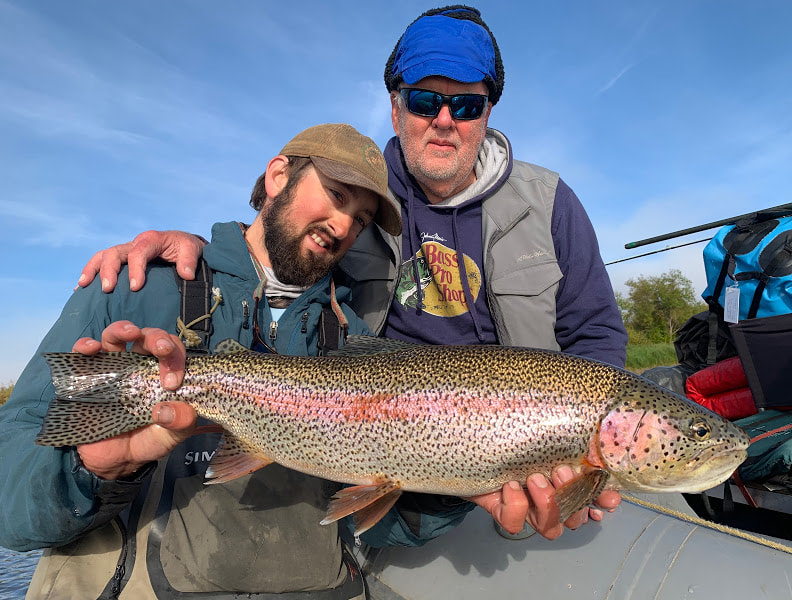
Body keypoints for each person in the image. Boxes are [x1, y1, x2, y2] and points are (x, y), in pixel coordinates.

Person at [77, 6, 626, 541]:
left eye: (465, 105)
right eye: (425, 100)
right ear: (395, 106)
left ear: (488, 112)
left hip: (509, 450)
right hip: (366, 431)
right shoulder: (363, 192)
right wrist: (196, 249)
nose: (443, 120)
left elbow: (597, 336)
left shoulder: (549, 202)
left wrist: (581, 453)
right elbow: (281, 240)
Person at [0, 123, 482, 599]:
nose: (343, 226)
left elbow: (370, 526)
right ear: (278, 176)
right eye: (337, 195)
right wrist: (97, 468)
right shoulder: (138, 287)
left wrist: (451, 487)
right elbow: (8, 507)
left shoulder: (353, 337)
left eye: (360, 219)